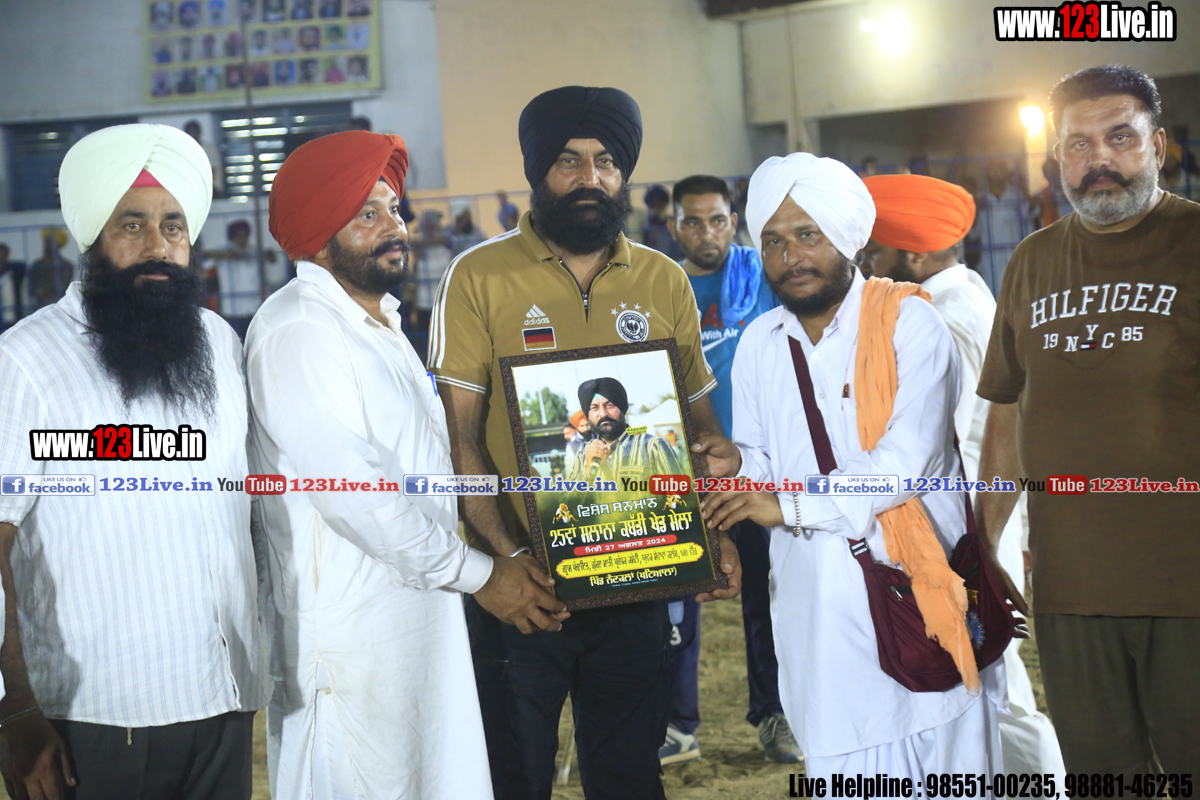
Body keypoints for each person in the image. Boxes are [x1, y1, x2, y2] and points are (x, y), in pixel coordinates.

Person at [428, 85, 742, 800]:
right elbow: (458, 438)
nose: (590, 177)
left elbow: (699, 429)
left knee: (630, 777)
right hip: (522, 589)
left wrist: (712, 526)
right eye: (568, 161)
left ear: (624, 173)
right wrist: (503, 563)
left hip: (639, 576)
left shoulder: (663, 279)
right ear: (538, 171)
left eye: (606, 161)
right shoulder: (477, 276)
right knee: (513, 779)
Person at [251, 130, 564, 799]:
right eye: (366, 214)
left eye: (393, 208)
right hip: (351, 648)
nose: (394, 226)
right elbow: (353, 492)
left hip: (417, 621)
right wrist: (481, 574)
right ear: (318, 236)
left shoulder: (377, 323)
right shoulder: (301, 330)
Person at [700, 152, 1006, 779]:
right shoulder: (761, 342)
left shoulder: (910, 322)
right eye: (774, 241)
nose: (791, 256)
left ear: (846, 238)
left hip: (919, 601)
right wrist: (736, 463)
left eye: (807, 234)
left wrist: (786, 504)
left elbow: (907, 462)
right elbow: (764, 460)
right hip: (820, 619)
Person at [0, 123, 269, 800]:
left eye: (173, 225)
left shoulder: (217, 342)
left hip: (225, 695)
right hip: (97, 712)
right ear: (92, 235)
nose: (158, 246)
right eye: (132, 224)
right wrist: (15, 707)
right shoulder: (26, 361)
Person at [976, 64, 1200, 774]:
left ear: (1157, 146)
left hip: (1188, 588)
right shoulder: (1031, 262)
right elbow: (1007, 409)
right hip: (1070, 593)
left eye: (1120, 137)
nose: (1098, 159)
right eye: (1078, 144)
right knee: (1103, 777)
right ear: (1056, 157)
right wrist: (985, 542)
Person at [862, 173, 1066, 780]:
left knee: (995, 688)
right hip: (973, 522)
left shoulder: (942, 320)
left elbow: (929, 439)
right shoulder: (965, 299)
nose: (867, 266)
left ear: (915, 256)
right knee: (985, 682)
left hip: (967, 528)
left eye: (875, 252)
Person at [661, 174, 798, 765]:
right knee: (675, 597)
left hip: (759, 465)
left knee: (767, 594)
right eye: (692, 222)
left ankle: (775, 715)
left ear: (733, 222)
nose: (707, 233)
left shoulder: (763, 277)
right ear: (674, 227)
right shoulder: (660, 287)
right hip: (684, 467)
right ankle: (676, 726)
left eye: (717, 220)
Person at [566, 378, 685, 482]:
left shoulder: (652, 446)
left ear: (622, 408)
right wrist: (588, 469)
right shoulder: (582, 452)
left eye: (609, 405)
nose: (603, 414)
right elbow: (569, 500)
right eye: (594, 408)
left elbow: (680, 495)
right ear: (588, 415)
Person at [971, 157, 1034, 292]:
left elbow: (1029, 221)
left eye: (999, 170)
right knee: (993, 297)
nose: (996, 173)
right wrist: (977, 210)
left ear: (1005, 173)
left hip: (1014, 255)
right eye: (993, 170)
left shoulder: (1018, 197)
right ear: (987, 174)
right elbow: (973, 234)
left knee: (1017, 295)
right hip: (990, 260)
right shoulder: (980, 200)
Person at [411, 209, 452, 332]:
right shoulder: (419, 249)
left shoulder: (446, 245)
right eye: (426, 225)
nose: (428, 229)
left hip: (444, 301)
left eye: (431, 225)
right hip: (424, 301)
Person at [28, 228, 73, 310]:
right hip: (39, 305)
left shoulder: (66, 265)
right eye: (46, 242)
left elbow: (64, 287)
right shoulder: (37, 265)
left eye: (50, 242)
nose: (46, 245)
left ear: (58, 245)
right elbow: (31, 288)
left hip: (59, 304)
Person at [640, 185, 683, 260]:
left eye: (659, 204)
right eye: (653, 204)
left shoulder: (673, 224)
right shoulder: (645, 225)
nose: (656, 207)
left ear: (665, 204)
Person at [184, 119, 224, 196]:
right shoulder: (182, 150)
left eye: (194, 132)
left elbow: (216, 168)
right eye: (190, 132)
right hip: (190, 190)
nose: (192, 134)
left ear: (199, 133)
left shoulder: (209, 148)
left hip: (210, 188)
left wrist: (218, 186)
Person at [0, 244, 27, 324]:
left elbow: (22, 267)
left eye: (3, 255)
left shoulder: (14, 271)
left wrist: (3, 267)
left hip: (15, 314)